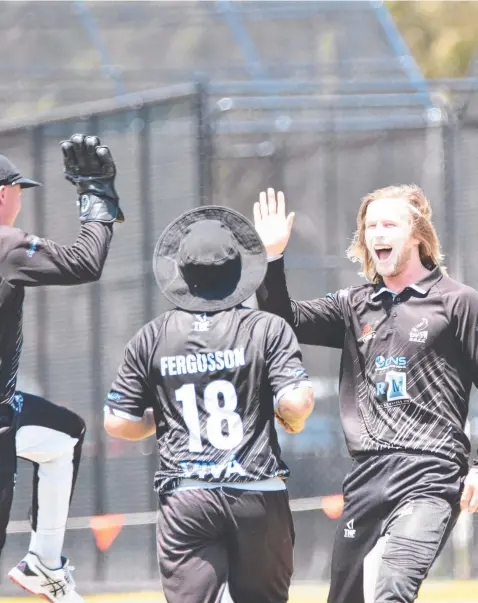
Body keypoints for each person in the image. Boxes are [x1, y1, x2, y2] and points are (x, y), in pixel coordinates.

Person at [253, 186, 478, 603]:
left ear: (417, 234)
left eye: (389, 224)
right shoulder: (354, 305)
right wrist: (271, 257)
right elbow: (281, 321)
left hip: (431, 472)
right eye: (370, 225)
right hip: (367, 477)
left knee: (393, 586)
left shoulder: (458, 302)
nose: (378, 233)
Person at [103, 206, 314, 603]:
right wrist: (290, 415)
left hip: (187, 497)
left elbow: (116, 421)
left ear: (180, 273)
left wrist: (158, 419)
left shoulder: (153, 335)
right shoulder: (265, 327)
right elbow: (297, 402)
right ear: (238, 270)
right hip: (257, 493)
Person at [0, 136, 124, 603]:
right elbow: (85, 262)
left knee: (63, 434)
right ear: (2, 194)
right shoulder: (6, 244)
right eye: (18, 189)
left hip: (7, 414)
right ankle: (44, 563)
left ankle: (46, 565)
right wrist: (98, 196)